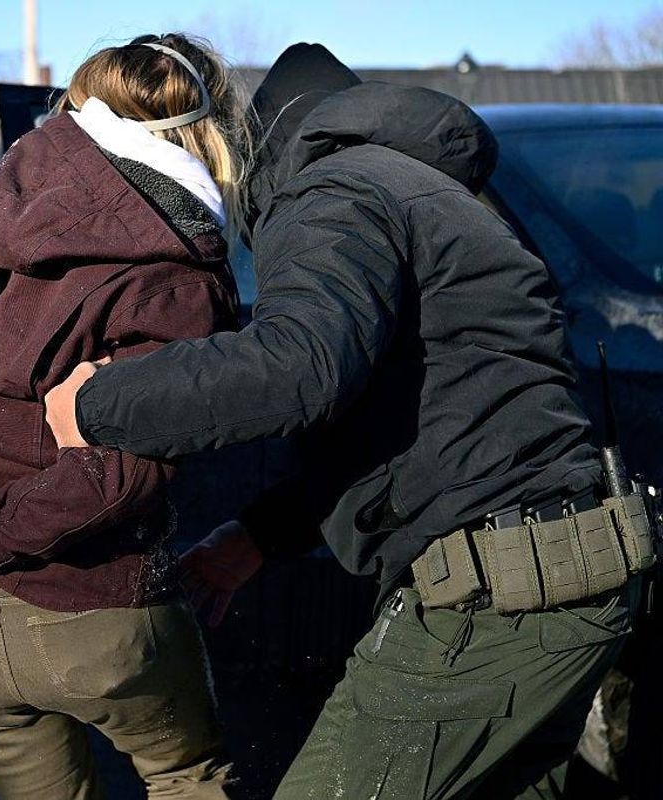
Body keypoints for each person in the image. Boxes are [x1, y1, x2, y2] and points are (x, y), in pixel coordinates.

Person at [44, 43, 654, 799]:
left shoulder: (332, 189)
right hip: (567, 574)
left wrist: (99, 402)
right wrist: (264, 534)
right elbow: (418, 414)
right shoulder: (423, 189)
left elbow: (299, 364)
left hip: (496, 600)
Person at [0, 33, 247, 799]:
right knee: (189, 777)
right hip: (99, 608)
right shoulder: (177, 277)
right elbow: (118, 477)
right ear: (206, 137)